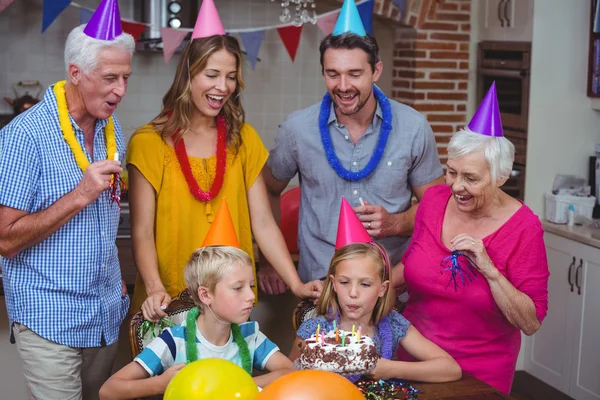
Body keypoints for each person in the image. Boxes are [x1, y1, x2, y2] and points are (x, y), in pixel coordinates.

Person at [126, 0, 322, 322]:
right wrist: (154, 287)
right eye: (212, 74)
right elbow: (142, 232)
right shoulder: (149, 143)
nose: (223, 87)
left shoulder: (242, 139)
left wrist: (296, 283)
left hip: (232, 302)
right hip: (169, 302)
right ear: (188, 76)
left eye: (231, 77)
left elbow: (263, 223)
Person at [261, 0, 444, 294]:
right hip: (320, 288)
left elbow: (438, 209)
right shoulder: (298, 129)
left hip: (391, 288)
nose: (343, 86)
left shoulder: (412, 127)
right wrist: (269, 260)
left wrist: (396, 223)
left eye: (355, 74)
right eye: (333, 74)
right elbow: (268, 189)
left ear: (376, 71)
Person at [0, 1, 134, 398]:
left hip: (105, 312)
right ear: (76, 73)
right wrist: (80, 194)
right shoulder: (25, 136)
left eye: (126, 78)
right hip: (48, 316)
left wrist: (115, 283)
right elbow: (5, 239)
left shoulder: (114, 129)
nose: (121, 91)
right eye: (110, 78)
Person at [395, 83, 550, 394]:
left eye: (471, 178)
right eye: (452, 172)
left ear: (501, 176)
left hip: (480, 372)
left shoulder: (524, 228)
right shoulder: (433, 201)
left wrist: (489, 270)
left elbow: (530, 322)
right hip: (412, 360)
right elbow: (410, 268)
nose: (455, 186)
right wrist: (362, 285)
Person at [289, 199, 461, 383]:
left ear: (382, 288)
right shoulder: (315, 330)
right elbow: (288, 376)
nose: (353, 293)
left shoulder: (394, 325)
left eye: (365, 284)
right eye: (345, 282)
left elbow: (451, 369)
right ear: (333, 284)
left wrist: (392, 369)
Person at [99, 245, 295, 400]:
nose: (251, 296)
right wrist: (161, 383)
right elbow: (108, 390)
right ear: (205, 294)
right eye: (238, 288)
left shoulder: (250, 335)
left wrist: (239, 385)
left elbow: (289, 371)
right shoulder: (174, 341)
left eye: (251, 286)